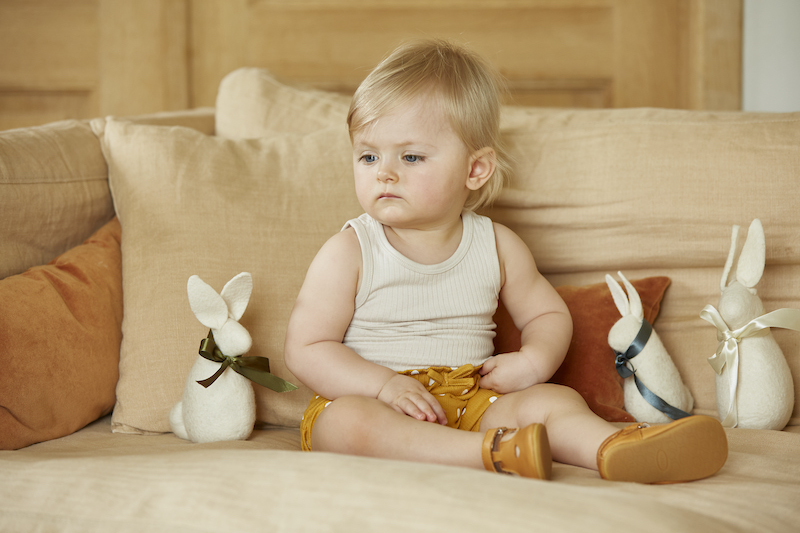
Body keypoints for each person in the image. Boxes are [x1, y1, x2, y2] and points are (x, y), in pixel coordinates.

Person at [284, 39, 728, 482]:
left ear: (475, 170)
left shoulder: (496, 245)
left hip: (476, 398)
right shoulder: (350, 250)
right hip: (376, 399)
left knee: (551, 401)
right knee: (348, 425)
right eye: (368, 155)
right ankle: (492, 454)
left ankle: (615, 449)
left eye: (411, 156)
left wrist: (533, 362)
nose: (384, 171)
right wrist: (382, 385)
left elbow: (547, 313)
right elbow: (307, 348)